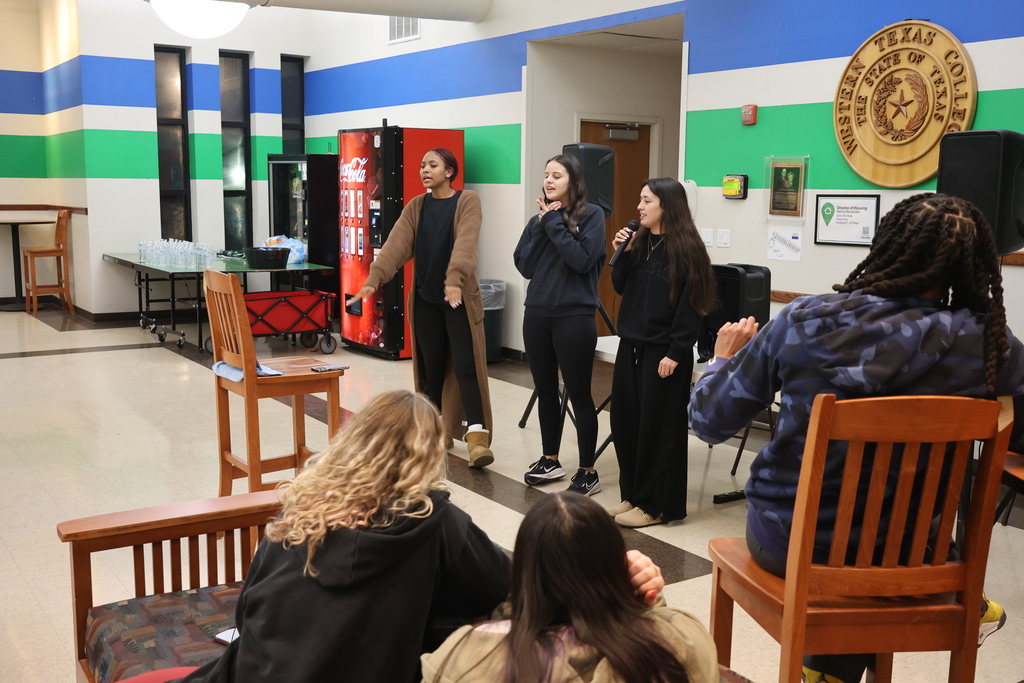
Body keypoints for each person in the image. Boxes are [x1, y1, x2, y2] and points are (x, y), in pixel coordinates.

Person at [688, 193, 1024, 683]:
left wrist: (720, 359)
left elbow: (707, 421)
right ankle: (830, 670)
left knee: (847, 546)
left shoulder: (806, 322)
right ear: (969, 266)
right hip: (918, 555)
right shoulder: (990, 345)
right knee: (880, 538)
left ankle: (825, 672)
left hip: (793, 545)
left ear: (884, 244)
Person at [122, 391, 666, 683]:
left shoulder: (296, 512)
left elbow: (247, 616)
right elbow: (511, 585)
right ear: (427, 460)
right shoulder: (435, 525)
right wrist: (609, 572)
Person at [421, 492, 718, 683]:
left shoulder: (464, 654)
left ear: (525, 571)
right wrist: (644, 601)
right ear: (613, 565)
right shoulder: (681, 640)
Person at [348, 148, 494, 468]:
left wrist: (454, 277)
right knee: (431, 368)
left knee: (467, 367)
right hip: (427, 300)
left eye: (432, 165)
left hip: (457, 300)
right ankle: (434, 430)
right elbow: (396, 244)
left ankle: (478, 437)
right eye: (422, 165)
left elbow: (466, 242)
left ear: (450, 171)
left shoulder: (467, 201)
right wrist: (374, 278)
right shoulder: (417, 206)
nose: (424, 170)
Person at [606, 178, 718, 528]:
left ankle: (655, 505)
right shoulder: (640, 241)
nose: (639, 207)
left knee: (658, 426)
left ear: (667, 205)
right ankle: (632, 495)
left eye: (646, 201)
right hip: (632, 343)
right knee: (626, 421)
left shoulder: (688, 248)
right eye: (640, 200)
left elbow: (694, 304)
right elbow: (622, 286)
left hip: (665, 351)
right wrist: (622, 252)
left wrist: (676, 351)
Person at [514, 154, 607, 495]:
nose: (549, 180)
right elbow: (525, 265)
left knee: (580, 395)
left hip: (574, 316)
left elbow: (582, 261)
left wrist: (552, 224)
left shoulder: (593, 215)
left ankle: (588, 470)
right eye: (546, 174)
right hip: (537, 314)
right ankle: (549, 459)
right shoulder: (539, 220)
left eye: (557, 175)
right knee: (545, 391)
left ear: (574, 181)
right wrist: (542, 225)